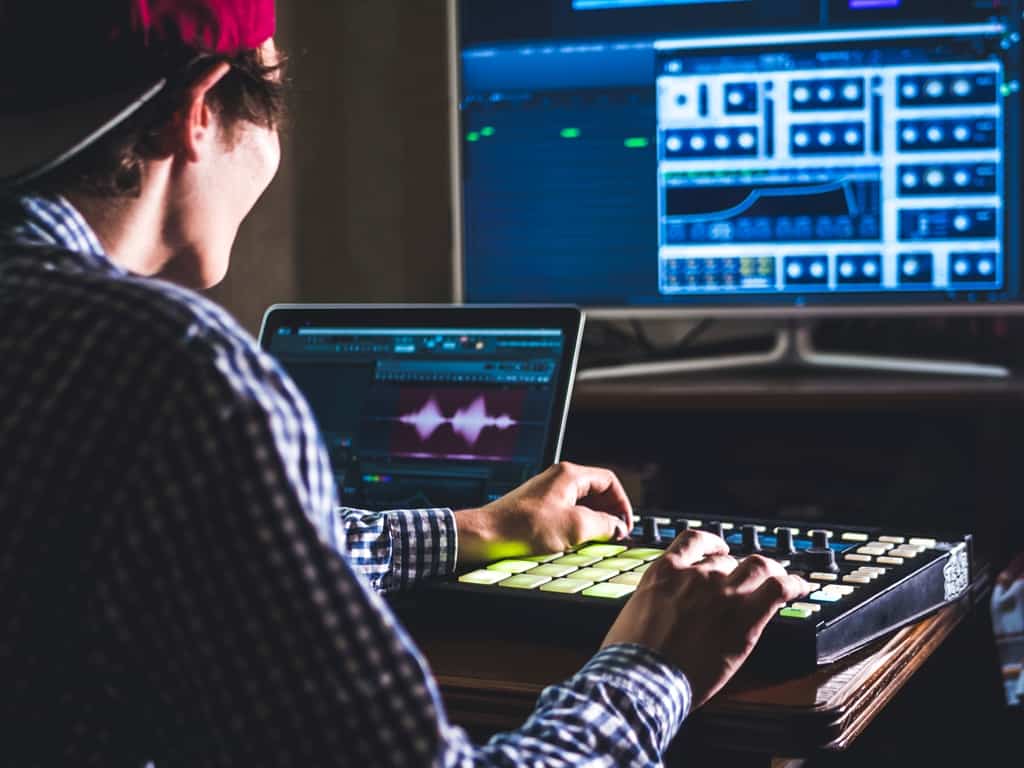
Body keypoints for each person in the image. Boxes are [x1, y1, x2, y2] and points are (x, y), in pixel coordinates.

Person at [0, 2, 811, 765]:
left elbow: (219, 552)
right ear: (200, 109)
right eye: (273, 99)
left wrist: (477, 530)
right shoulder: (175, 370)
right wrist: (654, 664)